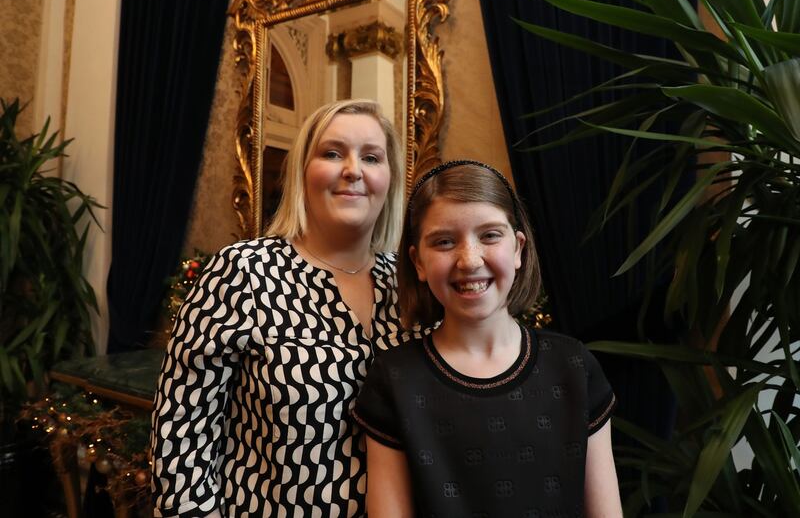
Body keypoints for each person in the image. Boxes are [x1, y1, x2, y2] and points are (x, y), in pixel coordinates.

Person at [150, 99, 406, 517]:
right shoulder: (242, 273)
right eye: (332, 153)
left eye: (372, 157)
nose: (353, 170)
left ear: (390, 179)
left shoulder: (410, 284)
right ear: (302, 172)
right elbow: (181, 431)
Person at [352, 160, 623, 517]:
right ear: (418, 262)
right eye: (444, 242)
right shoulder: (395, 378)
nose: (469, 259)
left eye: (490, 235)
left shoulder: (572, 365)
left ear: (518, 248)